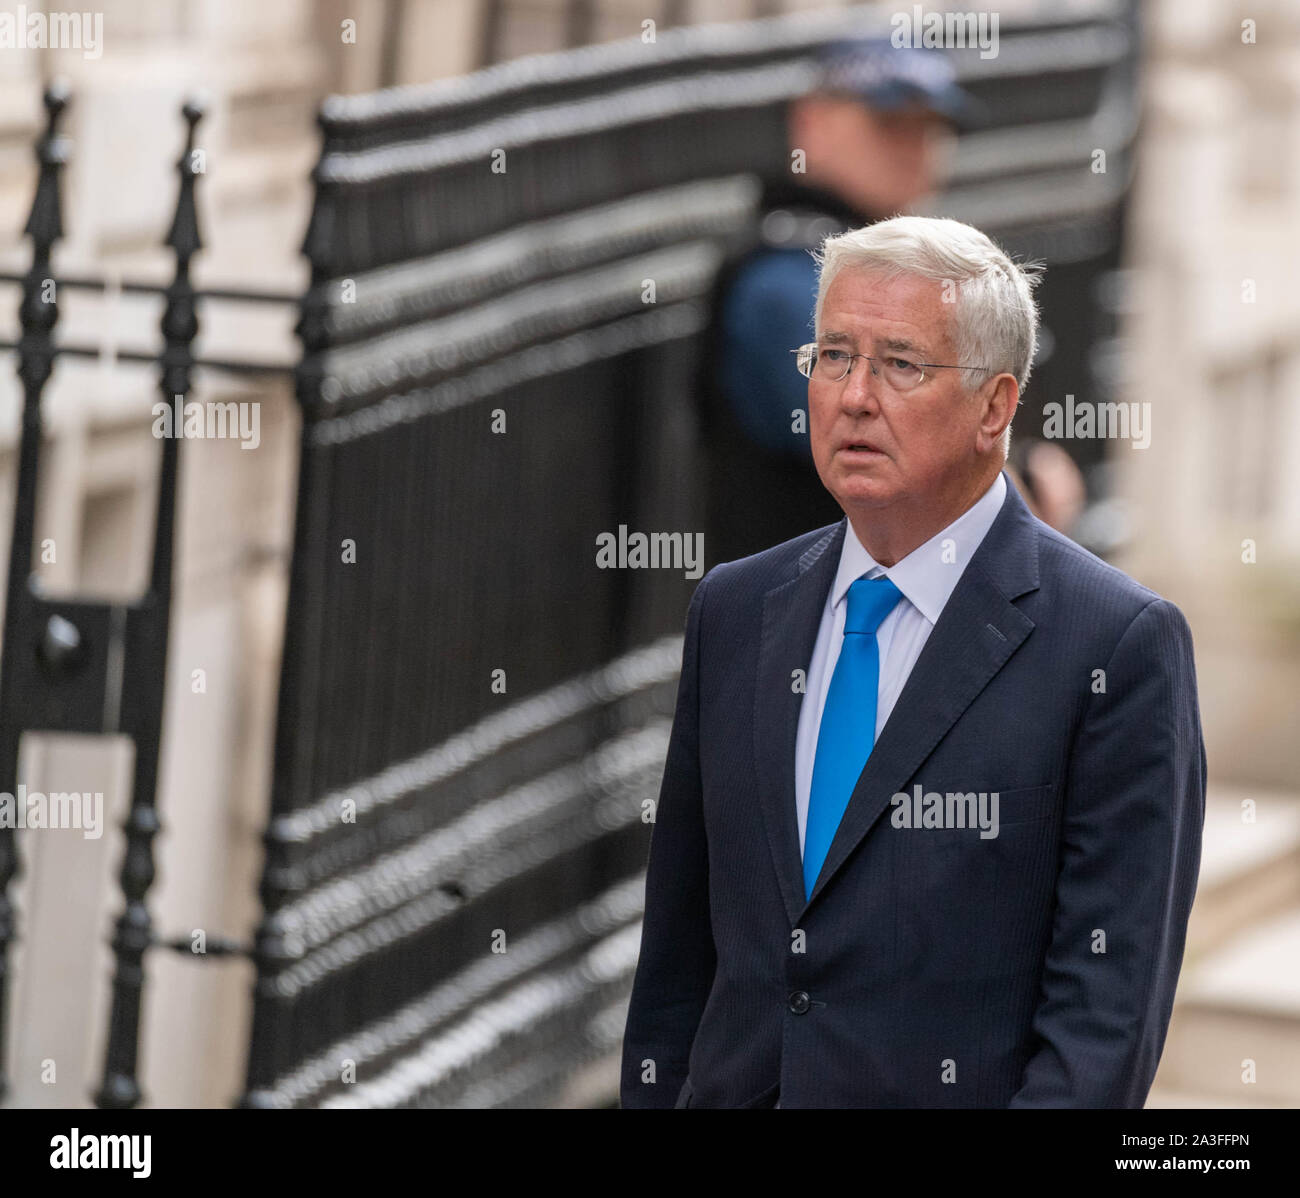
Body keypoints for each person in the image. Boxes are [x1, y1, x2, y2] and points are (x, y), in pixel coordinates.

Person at [621, 216, 1206, 1109]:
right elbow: (678, 958)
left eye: (900, 364)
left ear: (996, 406)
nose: (854, 396)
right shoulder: (737, 609)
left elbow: (1103, 1026)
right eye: (832, 356)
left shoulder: (1115, 647)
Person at [702, 39, 977, 566]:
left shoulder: (889, 265)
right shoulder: (782, 277)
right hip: (802, 621)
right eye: (891, 123)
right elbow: (893, 441)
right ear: (812, 123)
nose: (916, 147)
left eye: (931, 129)